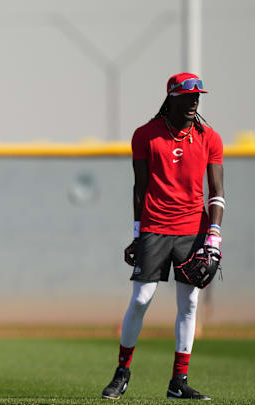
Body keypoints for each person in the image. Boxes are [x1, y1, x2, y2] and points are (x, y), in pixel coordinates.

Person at [101, 73, 224, 400]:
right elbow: (139, 189)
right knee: (141, 299)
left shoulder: (209, 138)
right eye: (187, 96)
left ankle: (178, 382)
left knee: (189, 304)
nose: (194, 102)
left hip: (192, 232)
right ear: (171, 98)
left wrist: (214, 236)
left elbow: (217, 193)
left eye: (198, 97)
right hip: (155, 228)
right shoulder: (145, 135)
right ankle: (122, 371)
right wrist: (137, 234)